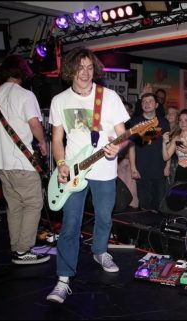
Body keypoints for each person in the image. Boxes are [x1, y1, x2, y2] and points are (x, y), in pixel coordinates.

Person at [46, 47, 130, 304]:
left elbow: (123, 134)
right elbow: (57, 139)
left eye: (89, 67)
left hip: (105, 168)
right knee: (70, 224)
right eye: (80, 67)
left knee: (104, 217)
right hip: (73, 169)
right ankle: (63, 279)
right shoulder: (59, 101)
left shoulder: (109, 97)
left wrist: (118, 145)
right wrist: (60, 162)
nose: (85, 72)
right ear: (70, 70)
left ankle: (100, 251)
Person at [0, 55, 50, 265]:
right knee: (33, 203)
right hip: (21, 162)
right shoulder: (25, 95)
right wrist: (42, 143)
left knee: (14, 206)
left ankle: (17, 248)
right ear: (23, 72)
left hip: (0, 162)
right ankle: (23, 250)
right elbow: (34, 123)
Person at [129, 93, 170, 211]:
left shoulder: (163, 122)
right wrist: (133, 168)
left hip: (159, 169)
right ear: (141, 105)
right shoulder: (135, 122)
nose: (147, 104)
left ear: (156, 105)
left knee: (160, 206)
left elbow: (167, 145)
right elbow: (132, 147)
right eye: (144, 102)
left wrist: (167, 166)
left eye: (150, 101)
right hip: (141, 169)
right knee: (144, 206)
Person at [162, 109, 187, 183]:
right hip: (180, 171)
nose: (183, 123)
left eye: (186, 120)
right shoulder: (176, 138)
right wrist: (164, 143)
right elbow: (166, 157)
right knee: (179, 194)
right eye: (180, 120)